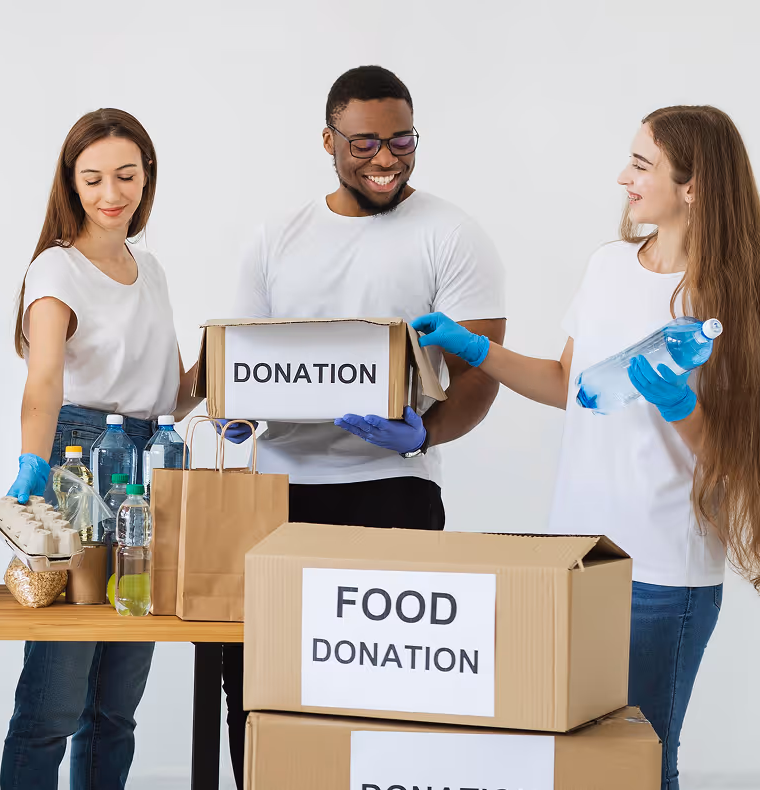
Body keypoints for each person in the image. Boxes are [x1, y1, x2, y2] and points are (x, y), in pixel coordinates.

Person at [412, 105, 760, 790]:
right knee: (570, 758)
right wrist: (475, 349)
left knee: (639, 763)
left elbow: (738, 454)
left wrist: (682, 406)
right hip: (578, 556)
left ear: (693, 186)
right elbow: (566, 385)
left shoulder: (728, 301)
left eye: (641, 166)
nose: (623, 178)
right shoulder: (610, 267)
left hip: (663, 572)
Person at [219, 65, 506, 784]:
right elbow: (235, 366)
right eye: (366, 143)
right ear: (328, 140)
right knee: (257, 679)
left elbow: (479, 370)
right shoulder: (275, 237)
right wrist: (229, 427)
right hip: (274, 493)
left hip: (391, 486)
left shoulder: (453, 233)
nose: (386, 159)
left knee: (383, 683)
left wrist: (427, 435)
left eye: (402, 140)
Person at [1, 108, 201, 790]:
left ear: (147, 179)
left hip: (151, 466)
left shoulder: (153, 271)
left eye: (126, 174)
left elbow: (173, 395)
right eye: (93, 178)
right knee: (56, 697)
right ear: (70, 183)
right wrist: (33, 467)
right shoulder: (56, 269)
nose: (111, 192)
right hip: (78, 465)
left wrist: (235, 357)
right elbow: (44, 383)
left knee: (117, 704)